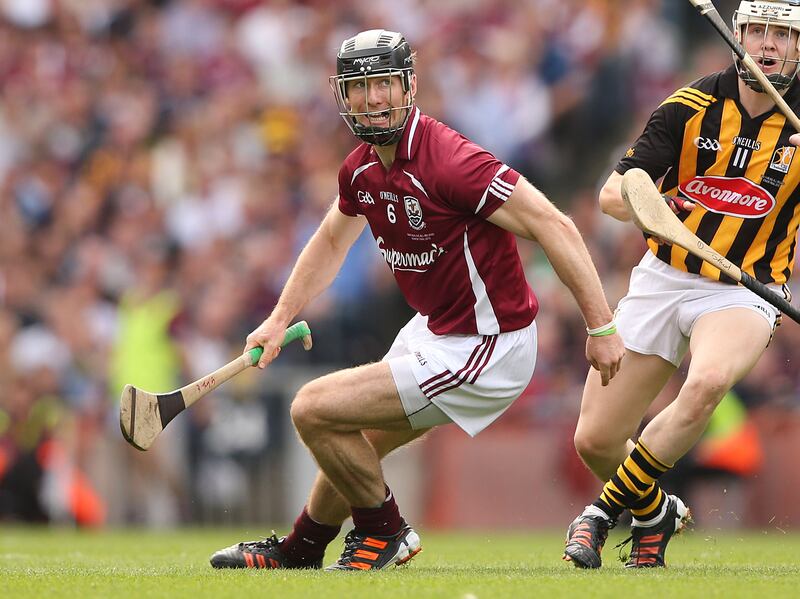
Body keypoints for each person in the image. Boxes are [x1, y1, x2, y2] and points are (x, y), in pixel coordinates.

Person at [209, 28, 623, 572]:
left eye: (384, 84)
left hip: (487, 344)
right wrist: (278, 318)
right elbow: (333, 239)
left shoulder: (451, 161)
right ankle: (303, 549)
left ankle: (385, 533)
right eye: (360, 87)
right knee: (350, 435)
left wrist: (600, 327)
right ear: (342, 96)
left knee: (312, 407)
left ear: (408, 87)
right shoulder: (359, 167)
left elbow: (556, 226)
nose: (373, 99)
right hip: (435, 328)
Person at [563, 0, 800, 570]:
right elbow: (613, 195)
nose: (766, 44)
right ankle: (656, 512)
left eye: (781, 34)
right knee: (595, 440)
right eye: (756, 30)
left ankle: (598, 515)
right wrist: (652, 205)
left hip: (745, 287)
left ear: (798, 46)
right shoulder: (691, 106)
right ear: (737, 34)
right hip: (665, 276)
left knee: (709, 380)